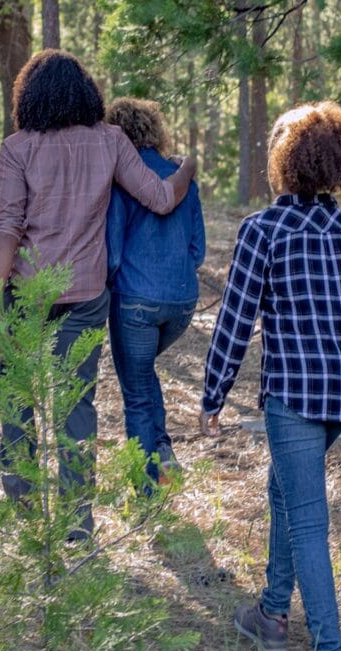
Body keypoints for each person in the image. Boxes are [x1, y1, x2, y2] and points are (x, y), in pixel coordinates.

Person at [198, 101, 341, 651]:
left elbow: (235, 320)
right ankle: (273, 616)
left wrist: (212, 394)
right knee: (285, 491)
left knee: (306, 520)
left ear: (284, 160)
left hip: (296, 396)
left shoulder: (263, 229)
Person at [0, 50, 197, 541]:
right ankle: (78, 525)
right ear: (86, 94)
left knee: (16, 393)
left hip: (27, 292)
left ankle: (22, 504)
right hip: (85, 294)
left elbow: (5, 230)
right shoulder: (110, 141)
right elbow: (161, 197)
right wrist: (186, 167)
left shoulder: (18, 148)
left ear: (29, 96)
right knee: (76, 404)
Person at [103, 97, 205, 496]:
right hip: (181, 303)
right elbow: (198, 250)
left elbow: (112, 251)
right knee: (143, 375)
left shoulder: (121, 179)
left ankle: (147, 490)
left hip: (134, 301)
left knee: (136, 389)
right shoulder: (183, 178)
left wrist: (107, 284)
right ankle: (163, 450)